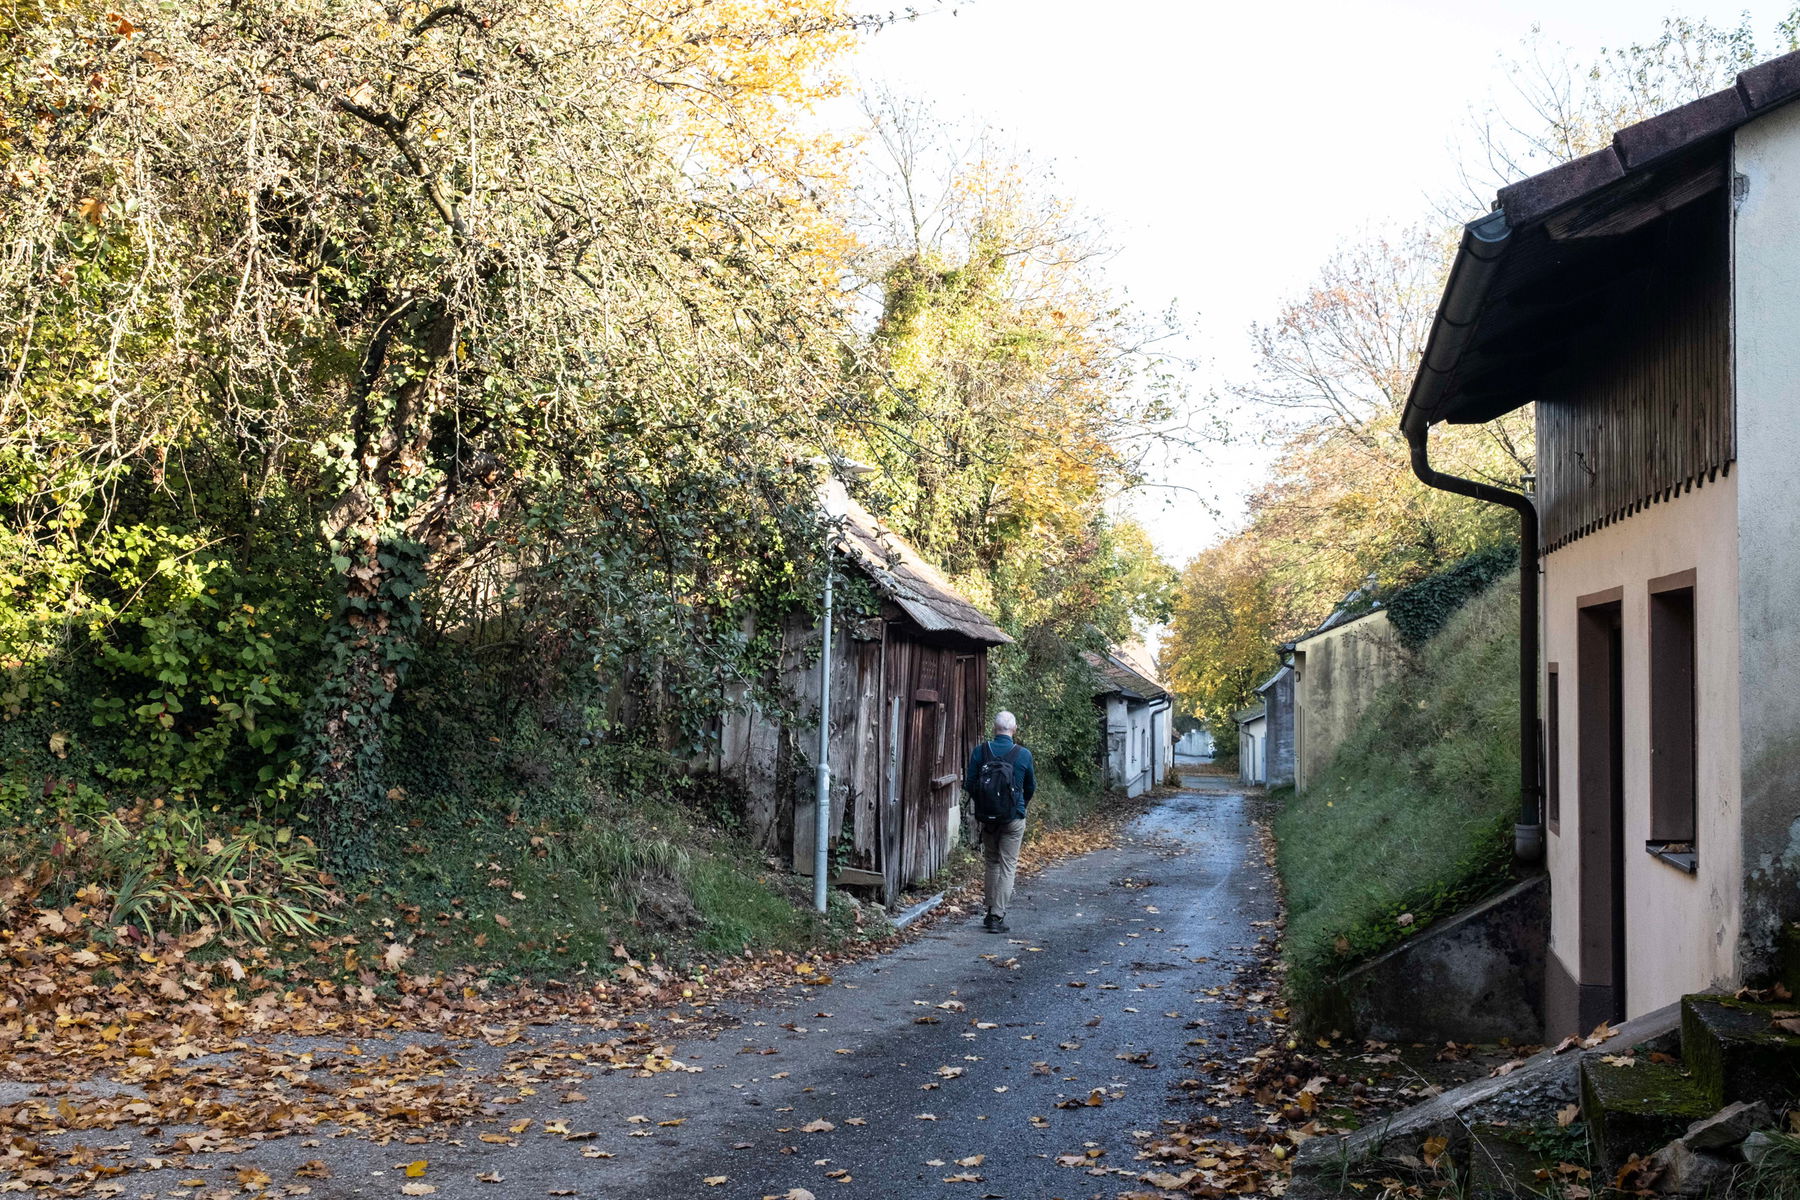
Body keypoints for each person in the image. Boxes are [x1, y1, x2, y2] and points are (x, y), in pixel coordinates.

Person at [964, 711, 1035, 933]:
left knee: (992, 862)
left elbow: (970, 784)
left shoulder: (981, 751)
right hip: (1013, 818)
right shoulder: (1023, 754)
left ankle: (989, 911)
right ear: (1014, 730)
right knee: (1008, 865)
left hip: (988, 818)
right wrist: (1020, 805)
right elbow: (1030, 786)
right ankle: (997, 915)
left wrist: (985, 806)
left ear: (995, 729)